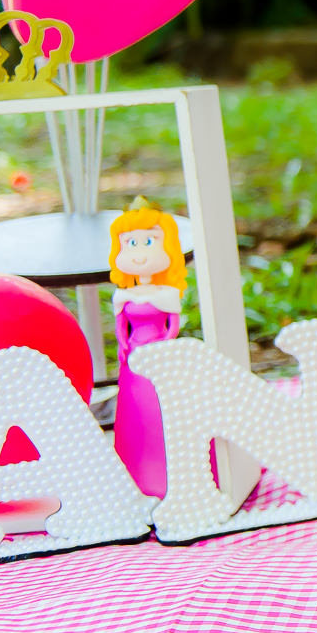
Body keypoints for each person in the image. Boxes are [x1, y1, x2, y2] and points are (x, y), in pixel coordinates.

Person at [108, 202, 188, 496]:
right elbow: (120, 326)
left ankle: (173, 471)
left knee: (163, 408)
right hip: (134, 357)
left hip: (160, 355)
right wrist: (124, 345)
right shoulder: (123, 295)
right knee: (135, 411)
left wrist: (167, 347)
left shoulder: (166, 294)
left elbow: (172, 325)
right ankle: (134, 473)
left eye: (149, 241)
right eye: (130, 243)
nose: (139, 252)